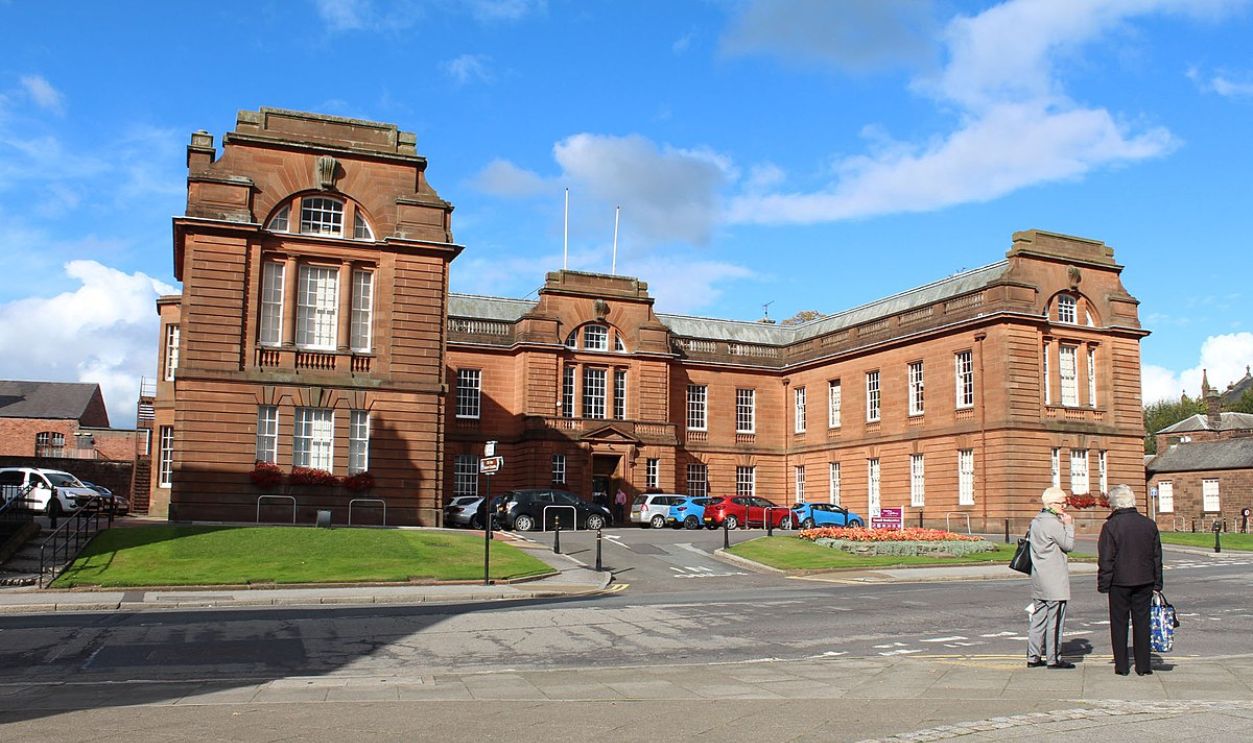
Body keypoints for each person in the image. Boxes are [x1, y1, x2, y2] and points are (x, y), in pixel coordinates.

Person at [1098, 483, 1164, 676]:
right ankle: (1144, 666)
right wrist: (1157, 583)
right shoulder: (1149, 524)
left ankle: (1122, 666)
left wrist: (1104, 583)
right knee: (1142, 623)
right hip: (1145, 580)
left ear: (1114, 505)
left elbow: (1106, 558)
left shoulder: (1110, 526)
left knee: (1119, 623)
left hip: (1119, 582)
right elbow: (1156, 557)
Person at [1027, 486, 1076, 669]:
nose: (1065, 506)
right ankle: (1053, 658)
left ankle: (1033, 656)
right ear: (1052, 503)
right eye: (1062, 503)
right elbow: (1068, 545)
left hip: (1039, 576)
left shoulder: (1036, 520)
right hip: (1054, 578)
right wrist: (1069, 525)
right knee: (1055, 619)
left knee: (1038, 617)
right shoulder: (1053, 523)